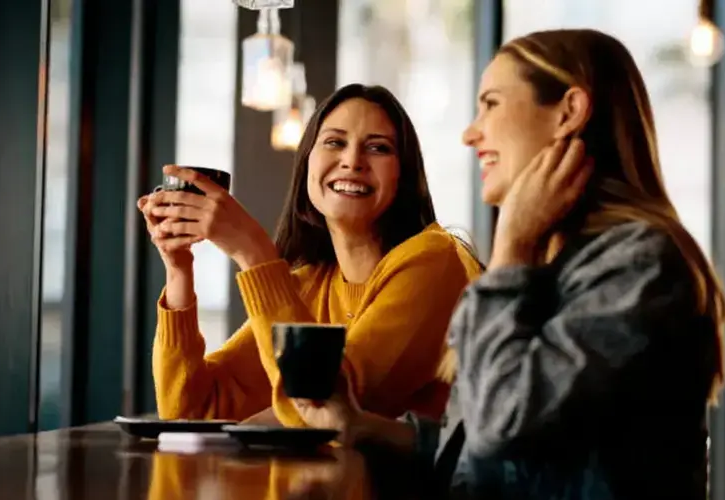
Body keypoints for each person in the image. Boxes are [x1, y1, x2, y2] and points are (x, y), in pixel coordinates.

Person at [290, 29, 725, 500]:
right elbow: (478, 448)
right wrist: (360, 427)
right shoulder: (552, 263)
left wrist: (512, 245)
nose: (470, 133)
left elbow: (504, 426)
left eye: (491, 104)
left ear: (568, 112)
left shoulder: (640, 264)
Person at [137, 83, 483, 428]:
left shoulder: (434, 261)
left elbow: (325, 408)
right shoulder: (309, 284)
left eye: (378, 148)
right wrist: (179, 268)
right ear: (306, 165)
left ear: (403, 176)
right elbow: (190, 411)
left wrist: (252, 251)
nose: (352, 161)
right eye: (334, 142)